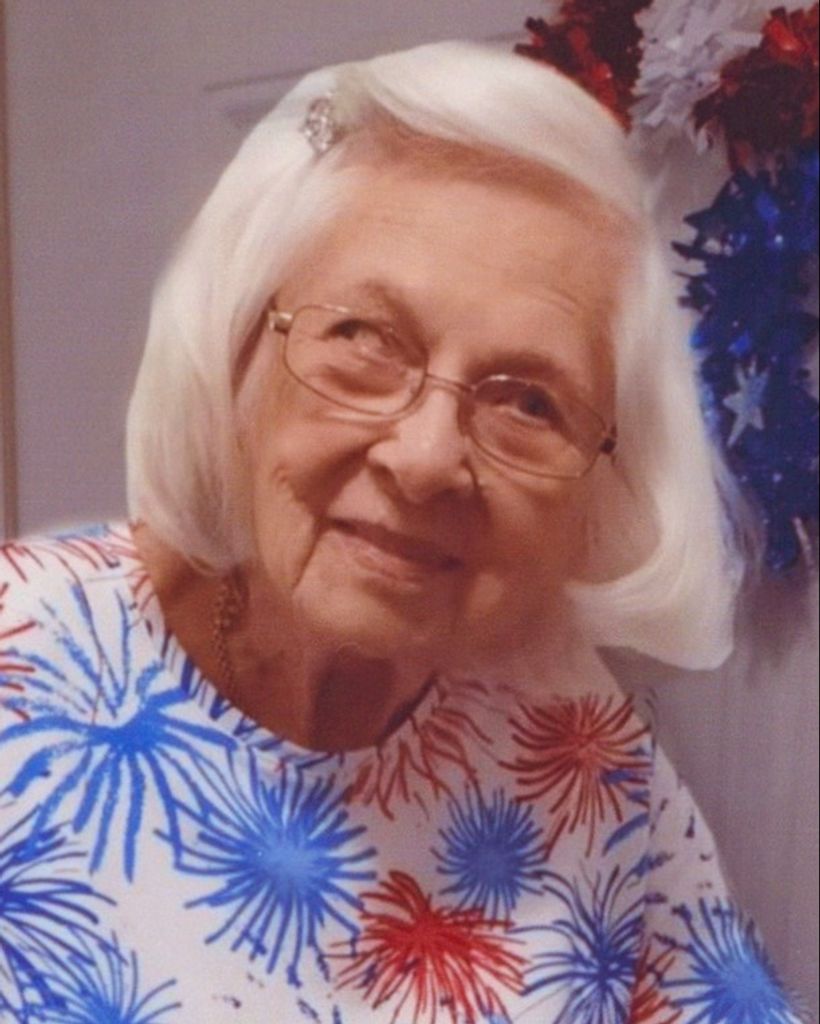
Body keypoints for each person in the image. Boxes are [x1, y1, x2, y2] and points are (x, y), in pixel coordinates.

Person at [0, 40, 803, 1024]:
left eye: (528, 401)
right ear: (239, 348)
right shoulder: (20, 659)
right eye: (365, 338)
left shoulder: (584, 758)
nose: (425, 459)